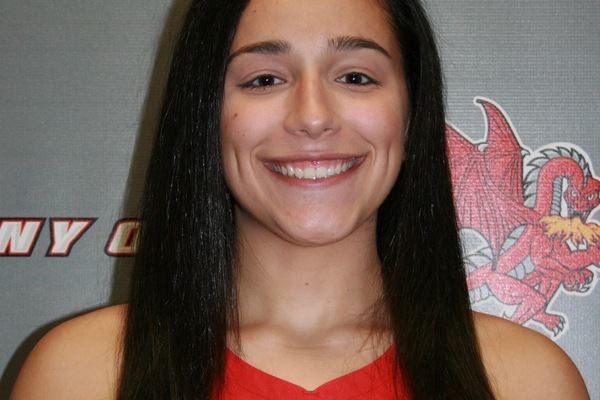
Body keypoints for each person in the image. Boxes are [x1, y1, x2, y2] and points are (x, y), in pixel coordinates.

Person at [10, 0, 590, 399]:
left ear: (411, 115)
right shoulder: (83, 375)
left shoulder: (525, 382)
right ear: (207, 116)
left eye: (356, 77)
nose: (312, 116)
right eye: (264, 79)